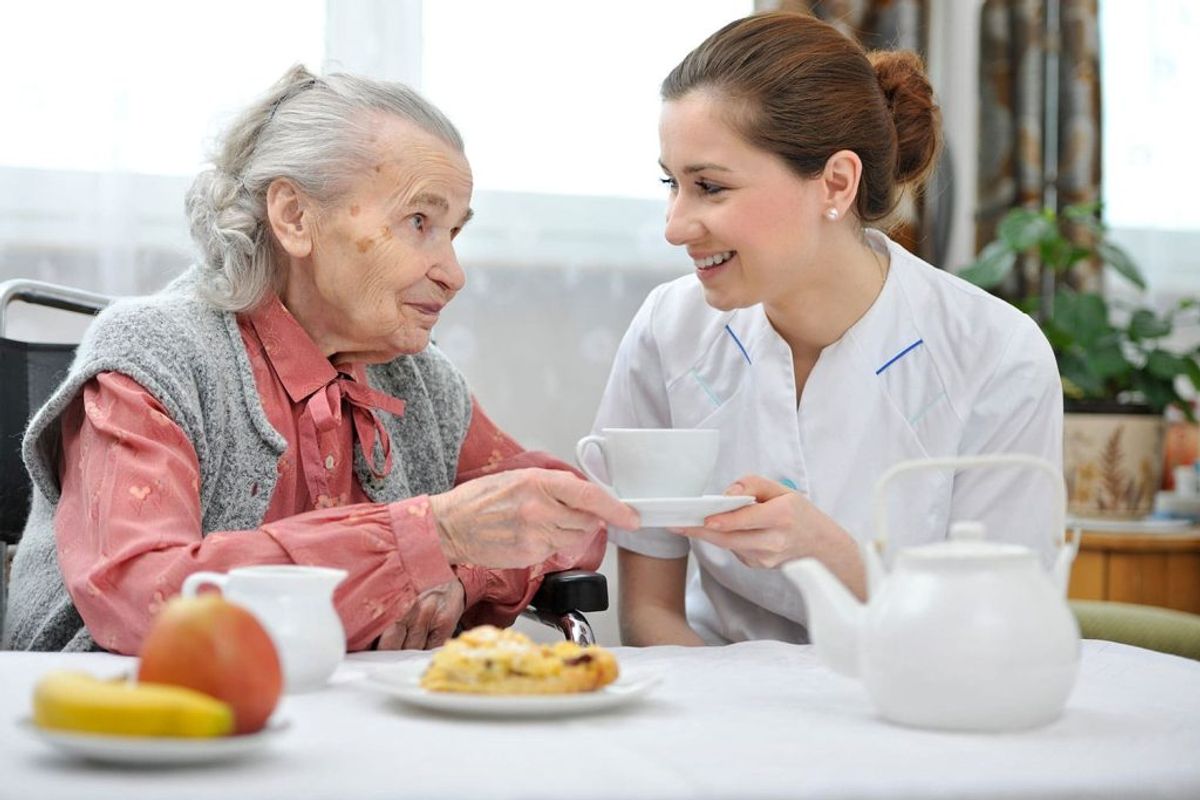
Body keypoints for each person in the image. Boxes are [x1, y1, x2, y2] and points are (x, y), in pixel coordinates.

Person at [5, 65, 639, 653]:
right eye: (419, 221)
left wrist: (463, 570)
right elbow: (146, 595)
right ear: (294, 216)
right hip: (126, 724)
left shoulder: (416, 378)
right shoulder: (155, 355)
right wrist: (430, 536)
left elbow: (572, 516)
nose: (452, 274)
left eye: (455, 232)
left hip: (337, 729)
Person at [588, 12, 1063, 646]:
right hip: (712, 705)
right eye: (671, 184)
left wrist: (828, 552)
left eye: (709, 187)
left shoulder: (997, 356)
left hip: (916, 709)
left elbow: (999, 630)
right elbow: (653, 615)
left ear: (835, 182)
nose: (675, 225)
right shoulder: (668, 330)